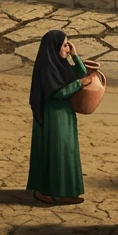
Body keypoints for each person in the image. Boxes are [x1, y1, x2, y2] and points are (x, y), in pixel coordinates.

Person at [26, 30, 92, 205]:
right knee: (55, 151)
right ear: (54, 47)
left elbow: (81, 72)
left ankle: (64, 191)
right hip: (53, 116)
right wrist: (79, 85)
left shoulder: (59, 64)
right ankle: (44, 192)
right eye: (64, 45)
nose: (67, 48)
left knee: (66, 151)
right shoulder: (47, 67)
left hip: (64, 114)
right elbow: (59, 92)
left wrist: (74, 55)